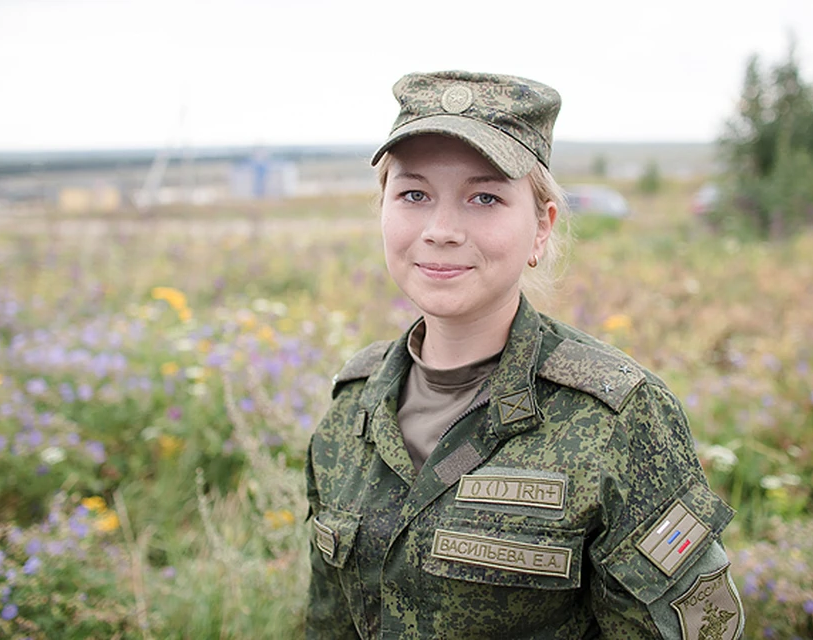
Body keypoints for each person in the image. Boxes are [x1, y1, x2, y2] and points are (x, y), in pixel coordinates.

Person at [304, 70, 743, 639]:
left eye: (484, 197)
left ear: (541, 228)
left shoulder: (617, 419)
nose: (440, 229)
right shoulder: (351, 409)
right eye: (414, 194)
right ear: (382, 210)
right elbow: (326, 621)